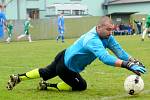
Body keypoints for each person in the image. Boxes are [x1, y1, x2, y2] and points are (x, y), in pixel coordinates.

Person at [7, 16, 146, 92]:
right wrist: (127, 65)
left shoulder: (107, 36)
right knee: (81, 86)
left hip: (64, 55)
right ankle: (49, 86)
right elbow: (105, 58)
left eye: (112, 30)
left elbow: (119, 51)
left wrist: (133, 60)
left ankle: (18, 78)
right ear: (99, 27)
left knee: (46, 72)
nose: (111, 33)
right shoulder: (92, 39)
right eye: (108, 29)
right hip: (67, 67)